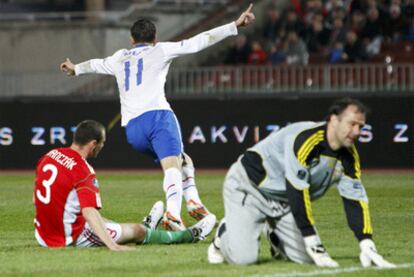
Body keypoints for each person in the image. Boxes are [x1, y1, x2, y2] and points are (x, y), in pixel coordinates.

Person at [60, 5, 255, 231]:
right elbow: (200, 40)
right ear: (155, 38)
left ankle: (194, 201)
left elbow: (95, 64)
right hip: (158, 117)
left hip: (133, 130)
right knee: (172, 164)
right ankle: (173, 213)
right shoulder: (161, 50)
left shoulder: (119, 57)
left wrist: (75, 69)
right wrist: (234, 25)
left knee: (182, 159)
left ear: (131, 40)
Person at [207, 98, 396, 268]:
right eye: (352, 124)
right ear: (334, 120)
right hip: (250, 188)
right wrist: (313, 241)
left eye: (361, 126)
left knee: (306, 259)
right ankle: (223, 233)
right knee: (244, 259)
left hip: (284, 200)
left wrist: (366, 243)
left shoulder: (349, 156)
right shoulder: (305, 139)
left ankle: (275, 238)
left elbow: (355, 200)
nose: (356, 132)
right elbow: (297, 191)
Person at [33, 120, 216, 250]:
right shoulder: (83, 170)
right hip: (69, 236)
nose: (102, 147)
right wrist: (112, 246)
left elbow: (39, 197)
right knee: (136, 231)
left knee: (104, 222)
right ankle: (189, 235)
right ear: (93, 144)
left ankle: (147, 226)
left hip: (43, 233)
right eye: (102, 144)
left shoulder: (50, 155)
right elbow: (89, 212)